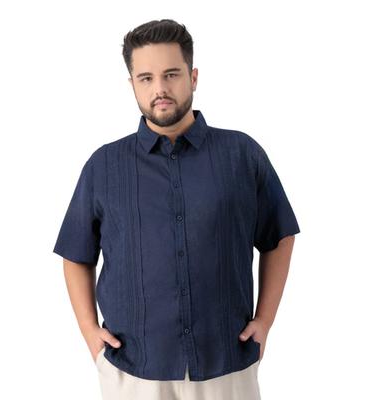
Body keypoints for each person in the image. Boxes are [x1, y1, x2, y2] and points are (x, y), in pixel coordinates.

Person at [53, 18, 300, 400]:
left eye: (171, 74)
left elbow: (279, 235)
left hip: (226, 362)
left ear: (193, 77)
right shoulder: (104, 166)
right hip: (134, 368)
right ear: (132, 84)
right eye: (146, 78)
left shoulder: (241, 155)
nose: (160, 89)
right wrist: (90, 334)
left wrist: (264, 320)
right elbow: (76, 254)